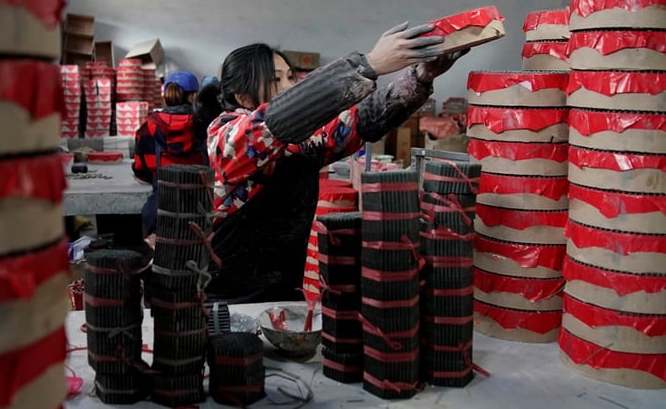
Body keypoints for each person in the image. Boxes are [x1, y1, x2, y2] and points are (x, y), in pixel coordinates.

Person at [195, 22, 464, 303]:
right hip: (227, 300)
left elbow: (360, 122)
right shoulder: (225, 136)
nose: (291, 86)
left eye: (291, 77)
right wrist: (368, 65)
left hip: (283, 293)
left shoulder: (303, 141)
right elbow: (273, 122)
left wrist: (420, 78)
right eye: (278, 80)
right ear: (243, 97)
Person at [132, 70, 208, 235]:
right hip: (202, 212)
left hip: (161, 213)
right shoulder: (206, 125)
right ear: (194, 96)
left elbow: (140, 171)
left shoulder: (149, 127)